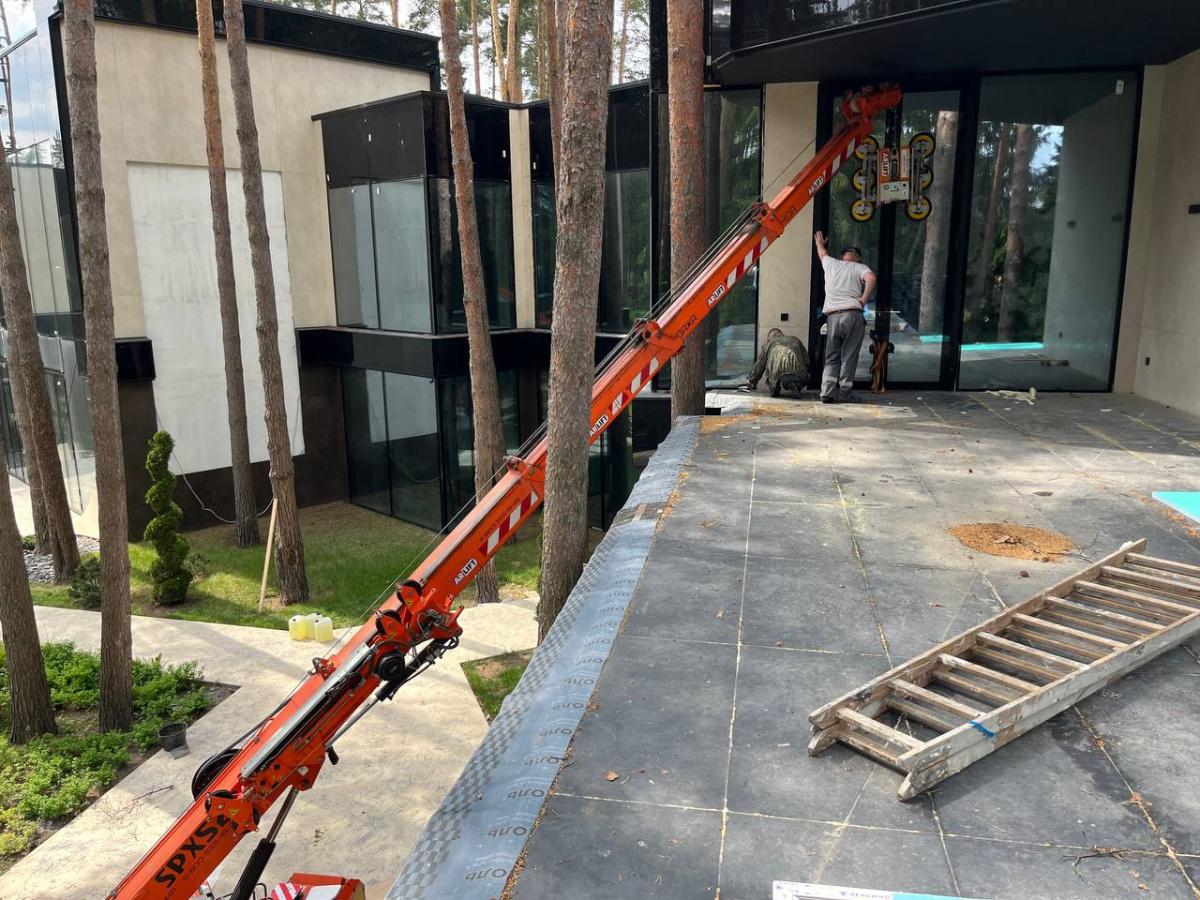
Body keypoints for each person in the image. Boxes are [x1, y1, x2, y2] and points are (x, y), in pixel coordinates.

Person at [814, 231, 875, 404]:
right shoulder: (860, 267)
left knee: (832, 357)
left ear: (842, 257)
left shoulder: (831, 263)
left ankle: (827, 392)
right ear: (858, 258)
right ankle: (845, 394)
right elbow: (871, 278)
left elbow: (822, 253)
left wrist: (819, 243)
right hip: (852, 315)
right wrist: (863, 299)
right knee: (848, 356)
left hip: (833, 316)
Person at [743, 328, 809, 397]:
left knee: (773, 374)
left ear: (770, 337)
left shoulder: (768, 344)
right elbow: (806, 359)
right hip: (798, 372)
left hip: (777, 374)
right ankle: (797, 385)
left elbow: (760, 365)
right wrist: (806, 371)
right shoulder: (795, 339)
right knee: (799, 375)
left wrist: (751, 380)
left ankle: (775, 389)